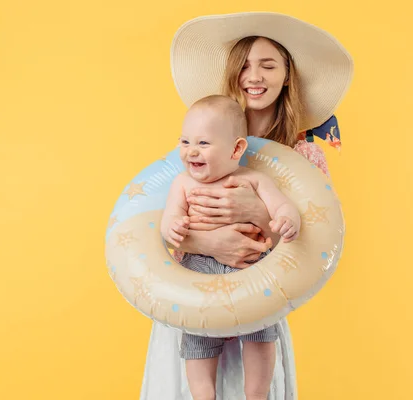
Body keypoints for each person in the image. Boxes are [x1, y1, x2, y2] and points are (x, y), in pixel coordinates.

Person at [140, 12, 353, 400]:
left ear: (287, 74)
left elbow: (314, 246)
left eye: (267, 66)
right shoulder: (199, 143)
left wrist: (256, 212)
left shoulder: (302, 157)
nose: (253, 77)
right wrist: (209, 245)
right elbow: (158, 227)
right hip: (193, 301)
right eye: (244, 66)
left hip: (257, 303)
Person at [161, 94, 302, 400]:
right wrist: (173, 224)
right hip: (199, 271)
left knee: (261, 331)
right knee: (197, 336)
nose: (191, 152)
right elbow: (169, 220)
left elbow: (282, 207)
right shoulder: (183, 184)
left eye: (203, 144)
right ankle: (203, 394)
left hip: (251, 270)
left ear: (236, 148)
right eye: (185, 142)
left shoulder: (253, 179)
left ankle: (257, 393)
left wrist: (287, 219)